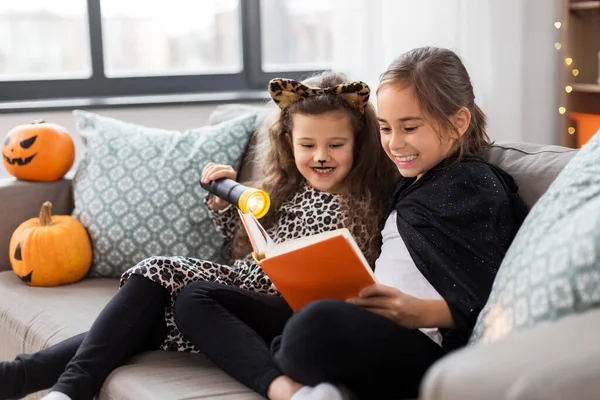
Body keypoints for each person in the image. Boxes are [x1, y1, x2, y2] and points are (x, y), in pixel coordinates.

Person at [0, 72, 397, 400]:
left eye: (336, 145)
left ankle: (67, 389)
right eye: (307, 145)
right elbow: (248, 244)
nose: (320, 156)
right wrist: (225, 206)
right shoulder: (286, 187)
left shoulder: (364, 200)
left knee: (162, 274)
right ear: (288, 144)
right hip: (245, 292)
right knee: (146, 312)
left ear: (359, 146)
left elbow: (356, 272)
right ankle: (30, 381)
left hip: (296, 310)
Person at [170, 47, 530, 400]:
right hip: (371, 325)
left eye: (409, 127)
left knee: (311, 327)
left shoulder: (474, 184)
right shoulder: (409, 181)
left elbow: (499, 297)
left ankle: (312, 378)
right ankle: (299, 390)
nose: (394, 143)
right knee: (194, 297)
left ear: (458, 123)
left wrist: (420, 311)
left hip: (424, 350)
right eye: (385, 128)